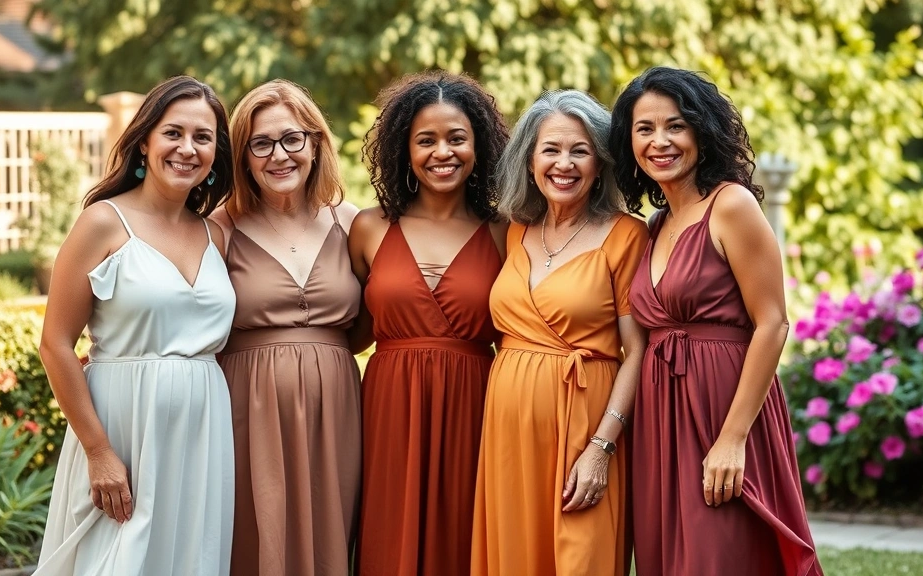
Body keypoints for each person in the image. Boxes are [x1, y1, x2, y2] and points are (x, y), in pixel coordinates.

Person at [608, 66, 823, 575]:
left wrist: (733, 438)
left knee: (721, 555)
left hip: (724, 407)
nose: (660, 141)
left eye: (675, 125)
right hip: (661, 417)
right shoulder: (654, 225)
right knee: (669, 558)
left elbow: (772, 324)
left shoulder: (731, 205)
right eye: (644, 129)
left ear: (702, 131)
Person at [34, 75, 236, 576]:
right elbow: (56, 345)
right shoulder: (103, 223)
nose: (187, 148)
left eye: (203, 137)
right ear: (144, 140)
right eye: (173, 132)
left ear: (216, 153)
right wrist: (99, 451)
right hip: (123, 429)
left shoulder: (218, 234)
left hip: (203, 430)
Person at [469, 90, 648, 576]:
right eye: (550, 150)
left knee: (580, 557)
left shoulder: (626, 235)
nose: (563, 163)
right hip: (508, 430)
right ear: (529, 161)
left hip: (584, 424)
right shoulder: (512, 231)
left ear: (600, 163)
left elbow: (637, 352)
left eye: (580, 150)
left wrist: (602, 447)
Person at [347, 71, 510, 576]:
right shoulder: (369, 228)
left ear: (478, 146)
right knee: (387, 537)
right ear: (404, 150)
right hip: (388, 404)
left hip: (475, 401)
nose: (443, 152)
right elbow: (349, 328)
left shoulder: (506, 230)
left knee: (463, 538)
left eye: (457, 138)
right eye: (426, 140)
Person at [208, 79, 361, 576]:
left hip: (337, 406)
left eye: (292, 139)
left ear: (315, 144)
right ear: (243, 156)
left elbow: (380, 314)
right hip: (248, 407)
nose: (280, 155)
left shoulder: (352, 223)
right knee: (257, 534)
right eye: (261, 144)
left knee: (335, 530)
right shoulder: (220, 227)